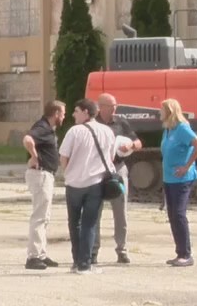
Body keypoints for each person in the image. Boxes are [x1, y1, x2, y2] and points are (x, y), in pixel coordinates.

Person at [59, 98, 117, 274]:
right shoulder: (107, 131)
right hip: (96, 183)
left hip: (74, 183)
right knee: (89, 223)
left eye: (76, 111)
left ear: (86, 112)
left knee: (74, 222)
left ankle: (77, 261)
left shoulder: (74, 131)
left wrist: (68, 172)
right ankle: (86, 263)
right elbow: (111, 156)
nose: (73, 114)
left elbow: (63, 156)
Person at [92, 92, 141, 265]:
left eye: (115, 105)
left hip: (118, 168)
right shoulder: (92, 123)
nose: (115, 108)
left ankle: (122, 249)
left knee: (120, 210)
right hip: (97, 170)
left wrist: (131, 145)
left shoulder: (121, 123)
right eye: (111, 105)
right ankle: (93, 250)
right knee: (95, 211)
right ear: (101, 107)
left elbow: (138, 142)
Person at [159, 98, 197, 267]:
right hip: (169, 178)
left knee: (178, 214)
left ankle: (186, 254)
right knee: (172, 215)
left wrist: (186, 166)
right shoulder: (168, 130)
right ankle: (180, 253)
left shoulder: (182, 128)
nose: (159, 113)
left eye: (161, 110)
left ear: (170, 111)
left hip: (182, 179)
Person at [22, 100, 65, 270]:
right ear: (55, 113)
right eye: (62, 113)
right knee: (39, 216)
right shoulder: (42, 127)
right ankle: (33, 257)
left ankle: (41, 253)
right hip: (40, 174)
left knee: (44, 217)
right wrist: (33, 156)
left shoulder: (48, 129)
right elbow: (27, 139)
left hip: (46, 175)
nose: (64, 116)